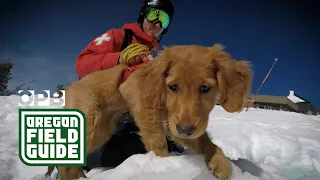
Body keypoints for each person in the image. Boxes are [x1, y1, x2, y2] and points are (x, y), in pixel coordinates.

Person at [75, 0, 184, 171]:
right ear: (143, 15)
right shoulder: (118, 37)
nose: (157, 23)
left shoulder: (152, 58)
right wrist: (119, 58)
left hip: (130, 118)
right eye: (153, 14)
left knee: (175, 146)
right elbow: (82, 63)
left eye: (163, 19)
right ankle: (77, 160)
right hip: (102, 114)